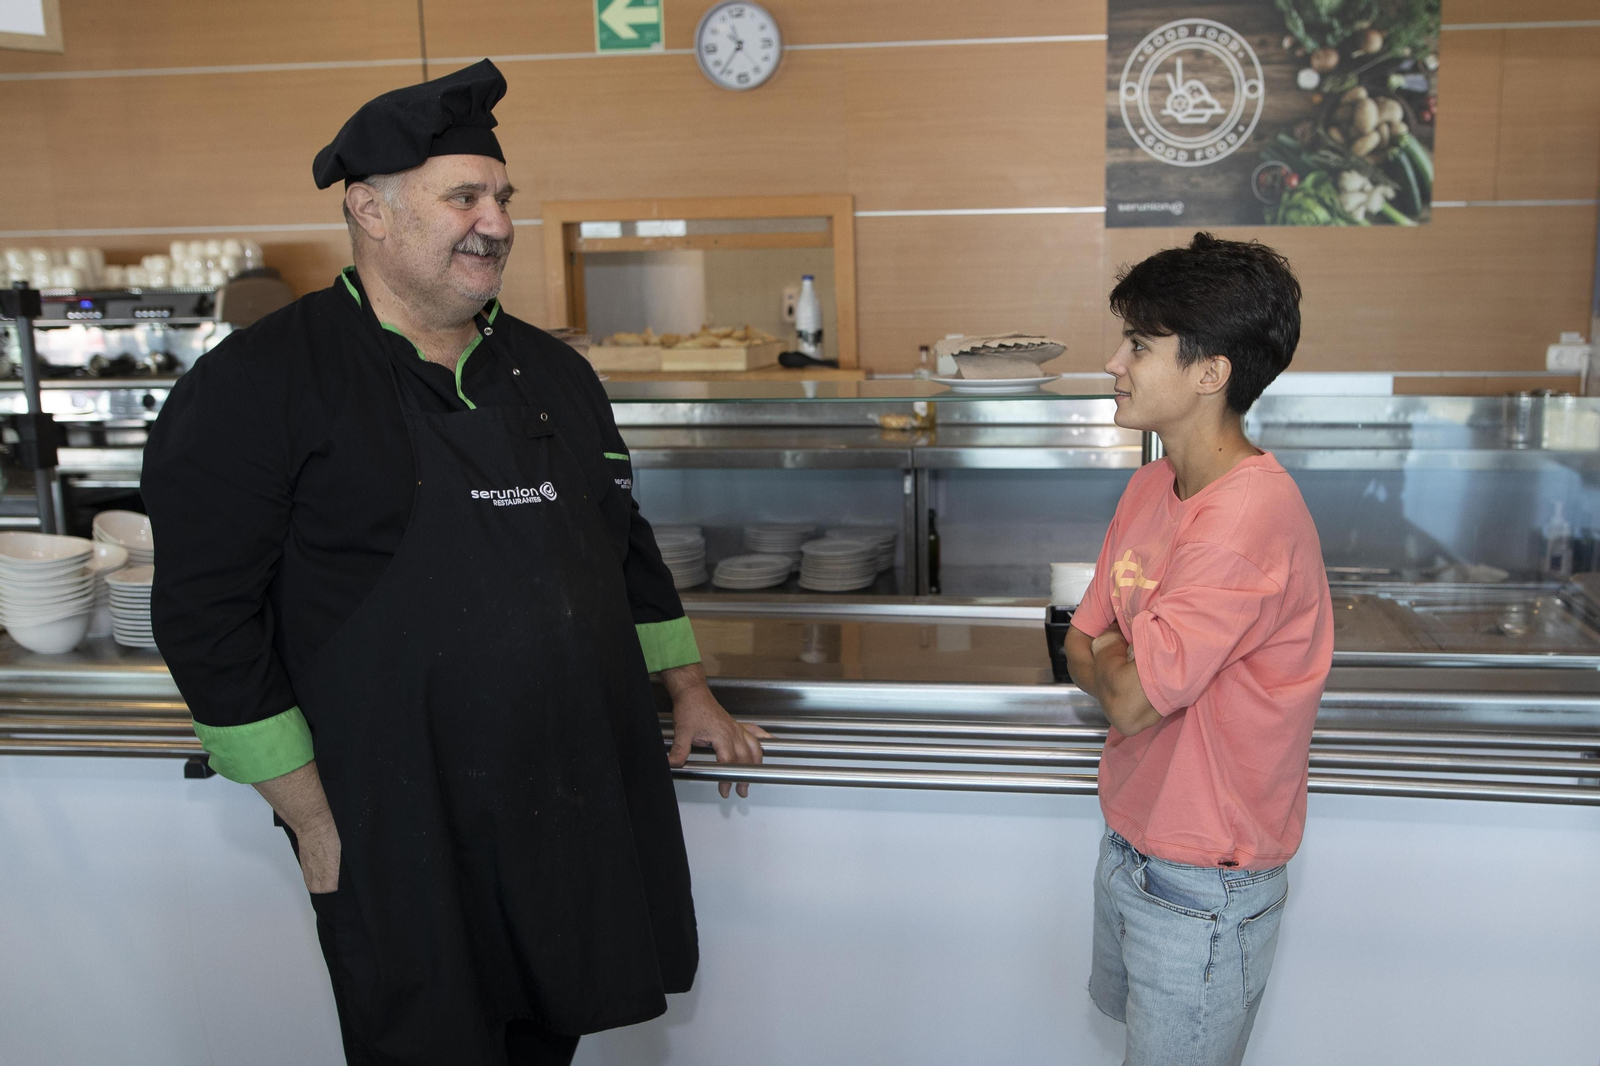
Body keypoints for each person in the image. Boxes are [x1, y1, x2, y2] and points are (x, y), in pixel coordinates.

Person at [142, 60, 768, 1066]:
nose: (497, 221)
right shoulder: (257, 386)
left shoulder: (552, 369)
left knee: (546, 1034)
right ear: (371, 212)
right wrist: (309, 816)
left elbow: (622, 544)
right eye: (463, 197)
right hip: (391, 815)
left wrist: (688, 689)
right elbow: (207, 619)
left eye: (503, 198)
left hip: (566, 792)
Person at [1065, 232, 1334, 1066]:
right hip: (1133, 847)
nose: (1114, 362)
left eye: (1140, 346)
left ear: (1212, 372)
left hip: (1203, 886)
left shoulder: (1244, 523)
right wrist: (1115, 656)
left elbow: (1130, 696)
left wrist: (1115, 655)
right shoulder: (1152, 483)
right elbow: (1079, 642)